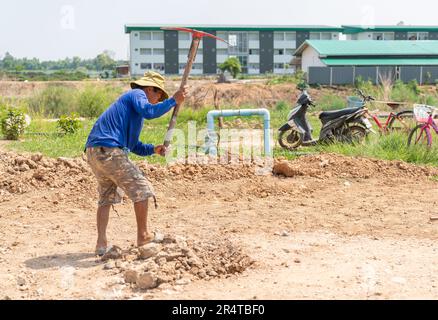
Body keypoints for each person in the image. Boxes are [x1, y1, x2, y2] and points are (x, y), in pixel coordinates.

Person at [85, 71, 187, 255]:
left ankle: (101, 244)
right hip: (108, 150)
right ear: (150, 89)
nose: (157, 99)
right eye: (158, 95)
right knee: (142, 188)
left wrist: (152, 149)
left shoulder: (133, 112)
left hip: (94, 152)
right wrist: (173, 100)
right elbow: (150, 112)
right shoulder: (137, 95)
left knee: (106, 197)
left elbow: (133, 145)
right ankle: (143, 236)